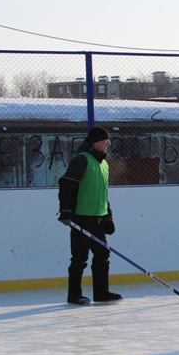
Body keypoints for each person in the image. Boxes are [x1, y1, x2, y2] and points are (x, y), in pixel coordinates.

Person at [57, 126, 122, 305]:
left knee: (102, 254)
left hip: (98, 218)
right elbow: (66, 184)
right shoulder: (82, 160)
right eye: (105, 139)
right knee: (79, 258)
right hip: (82, 218)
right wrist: (66, 210)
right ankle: (74, 295)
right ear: (95, 142)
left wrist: (108, 216)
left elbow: (103, 193)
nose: (109, 143)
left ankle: (101, 292)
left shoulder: (104, 164)